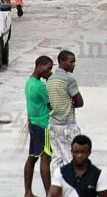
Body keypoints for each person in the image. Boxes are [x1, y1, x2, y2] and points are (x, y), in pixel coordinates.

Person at [46, 50, 83, 173]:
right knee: (69, 158)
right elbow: (80, 102)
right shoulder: (69, 80)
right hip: (67, 125)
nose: (73, 65)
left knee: (56, 158)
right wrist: (70, 103)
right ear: (61, 61)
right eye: (71, 62)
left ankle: (56, 182)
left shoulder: (50, 79)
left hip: (52, 124)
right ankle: (69, 183)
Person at [24, 56, 54, 197]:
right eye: (48, 69)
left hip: (33, 123)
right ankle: (49, 193)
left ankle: (28, 191)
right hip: (43, 125)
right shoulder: (41, 87)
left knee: (32, 157)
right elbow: (51, 104)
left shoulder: (29, 83)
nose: (49, 72)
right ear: (40, 66)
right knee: (45, 158)